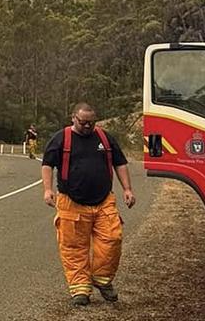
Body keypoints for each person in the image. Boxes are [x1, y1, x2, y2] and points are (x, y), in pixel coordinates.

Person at [40, 103, 136, 306]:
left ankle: (102, 279)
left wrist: (127, 189)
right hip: (71, 203)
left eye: (91, 123)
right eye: (83, 122)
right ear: (73, 118)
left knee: (113, 239)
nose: (87, 126)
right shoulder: (61, 139)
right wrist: (48, 189)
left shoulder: (104, 138)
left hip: (103, 201)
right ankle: (80, 290)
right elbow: (47, 164)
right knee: (74, 248)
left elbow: (120, 162)